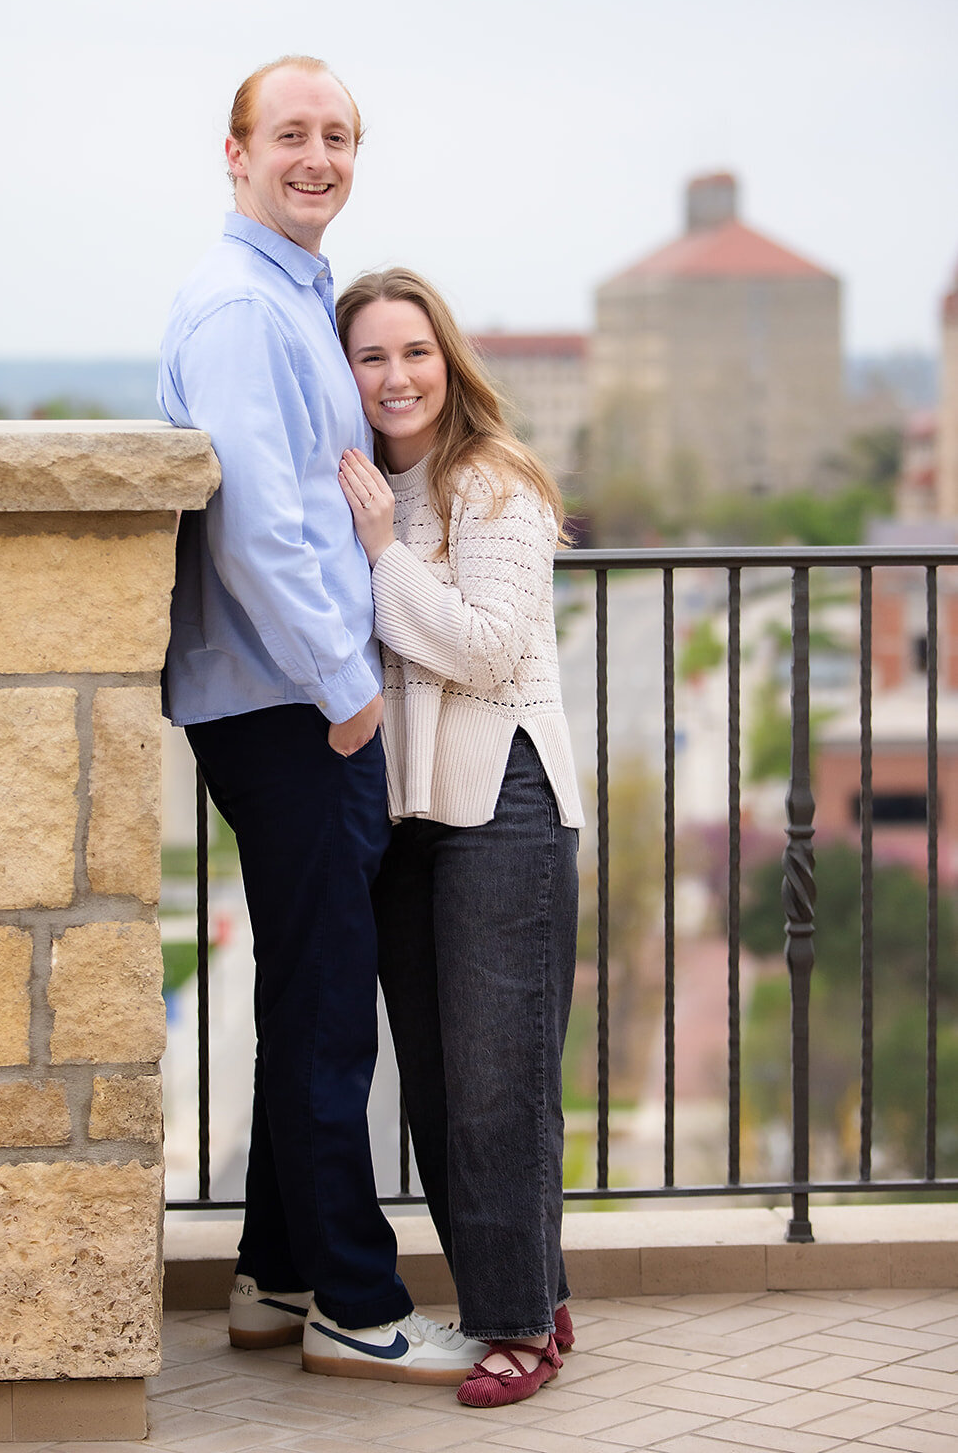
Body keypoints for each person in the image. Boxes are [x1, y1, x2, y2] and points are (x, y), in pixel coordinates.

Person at [157, 60, 483, 1385]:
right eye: (289, 135)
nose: (316, 156)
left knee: (303, 992)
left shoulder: (293, 293)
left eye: (336, 136)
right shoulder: (241, 307)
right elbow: (259, 528)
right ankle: (355, 1303)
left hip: (298, 702)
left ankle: (273, 1274)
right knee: (326, 1009)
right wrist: (346, 692)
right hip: (296, 704)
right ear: (232, 155)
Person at [336, 268, 585, 1409]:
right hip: (403, 817)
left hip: (503, 810)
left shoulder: (494, 485)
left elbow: (486, 652)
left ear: (450, 363)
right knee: (438, 1084)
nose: (396, 377)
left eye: (414, 352)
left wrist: (386, 554)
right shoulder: (358, 486)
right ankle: (533, 1289)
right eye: (371, 357)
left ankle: (516, 1324)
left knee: (500, 1079)